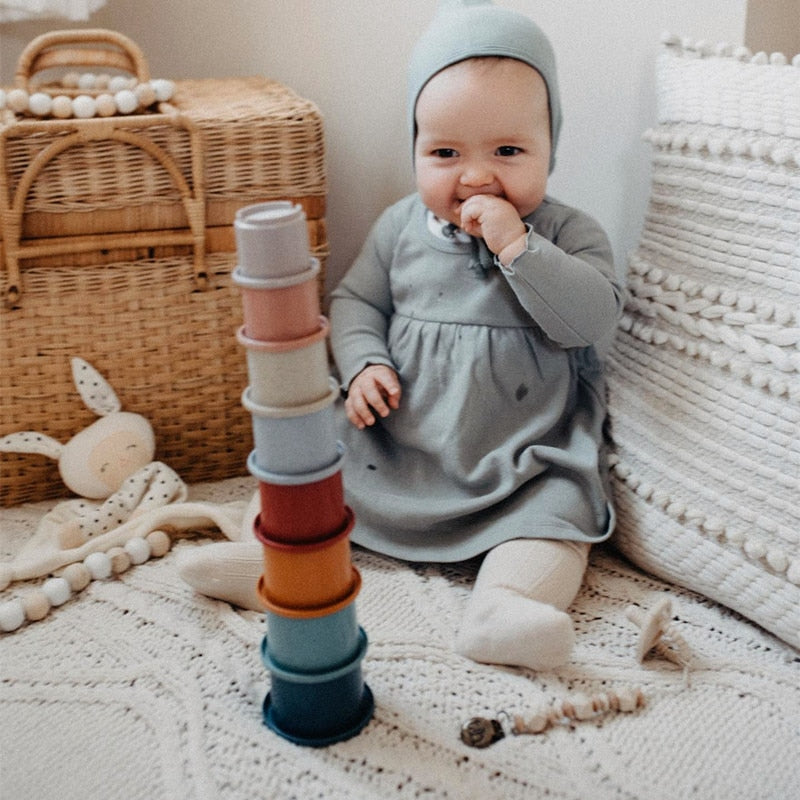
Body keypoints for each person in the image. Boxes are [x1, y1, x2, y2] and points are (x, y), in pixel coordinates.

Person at [329, 0, 625, 670]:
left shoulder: (566, 235)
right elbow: (355, 302)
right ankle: (275, 562)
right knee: (313, 470)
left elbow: (592, 320)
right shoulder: (401, 227)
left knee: (559, 513)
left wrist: (519, 247)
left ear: (551, 147)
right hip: (403, 438)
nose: (475, 175)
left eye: (509, 151)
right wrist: (363, 364)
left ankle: (505, 606)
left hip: (526, 451)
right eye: (444, 152)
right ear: (414, 148)